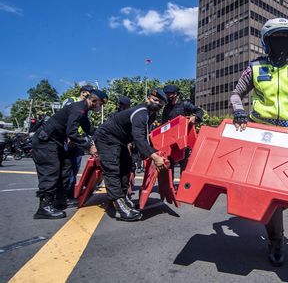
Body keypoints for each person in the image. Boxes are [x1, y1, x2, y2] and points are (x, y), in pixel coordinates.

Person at [230, 17, 288, 266]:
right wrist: (238, 111)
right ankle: (276, 239)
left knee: (287, 189)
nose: (281, 43)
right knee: (268, 190)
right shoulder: (254, 67)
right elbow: (236, 93)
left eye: (286, 39)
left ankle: (275, 228)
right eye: (276, 39)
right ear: (266, 42)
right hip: (260, 131)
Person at [94, 89, 169, 222]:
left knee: (126, 166)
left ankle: (123, 197)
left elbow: (144, 138)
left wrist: (152, 151)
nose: (155, 103)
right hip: (106, 138)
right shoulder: (141, 113)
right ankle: (119, 205)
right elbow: (140, 139)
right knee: (112, 169)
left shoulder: (150, 115)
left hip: (120, 140)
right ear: (148, 98)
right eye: (154, 99)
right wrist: (155, 157)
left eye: (159, 102)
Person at [32, 90, 107, 219]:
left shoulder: (83, 111)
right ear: (94, 101)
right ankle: (44, 207)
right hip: (45, 142)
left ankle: (61, 199)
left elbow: (89, 130)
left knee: (65, 168)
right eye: (100, 104)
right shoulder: (78, 109)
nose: (100, 107)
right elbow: (72, 132)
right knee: (51, 171)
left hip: (56, 142)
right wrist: (89, 147)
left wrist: (106, 137)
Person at [62, 84, 96, 201]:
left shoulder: (86, 107)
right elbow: (67, 120)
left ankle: (70, 192)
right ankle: (65, 195)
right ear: (84, 92)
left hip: (78, 139)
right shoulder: (72, 101)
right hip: (69, 138)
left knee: (75, 167)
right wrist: (69, 137)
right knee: (67, 167)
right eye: (90, 93)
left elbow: (86, 126)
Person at [161, 84, 204, 174]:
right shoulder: (166, 108)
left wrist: (194, 117)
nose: (168, 96)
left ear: (175, 94)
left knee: (184, 164)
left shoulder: (185, 104)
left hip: (184, 139)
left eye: (170, 94)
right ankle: (170, 187)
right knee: (170, 164)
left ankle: (182, 186)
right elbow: (163, 124)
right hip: (171, 141)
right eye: (166, 94)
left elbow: (199, 111)